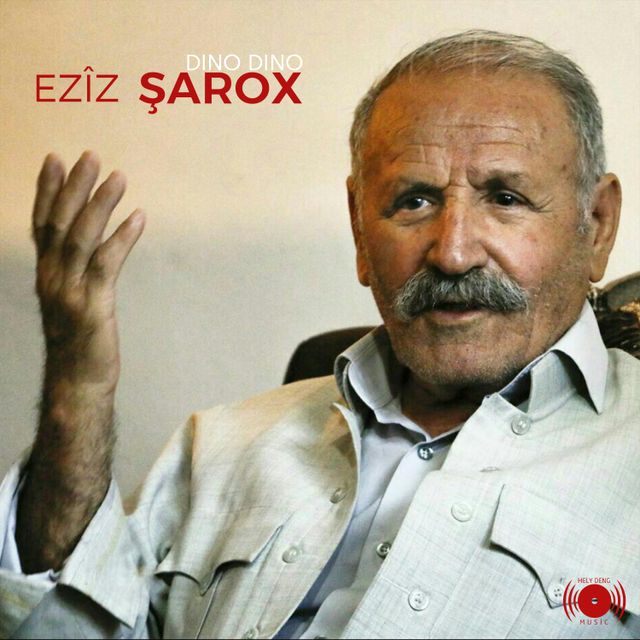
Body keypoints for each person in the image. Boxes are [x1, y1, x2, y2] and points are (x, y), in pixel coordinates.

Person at [0, 29, 638, 639]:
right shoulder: (220, 445)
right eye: (414, 201)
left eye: (505, 198)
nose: (452, 253)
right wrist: (77, 395)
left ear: (598, 225)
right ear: (360, 232)